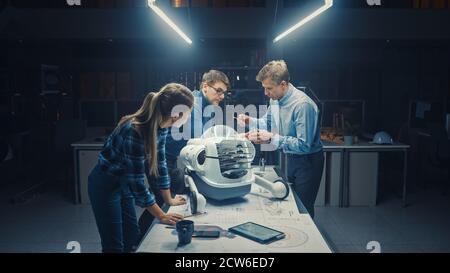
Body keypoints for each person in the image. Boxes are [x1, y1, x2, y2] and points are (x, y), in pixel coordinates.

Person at [88, 83, 195, 253]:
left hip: (123, 183)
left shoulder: (162, 127)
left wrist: (168, 200)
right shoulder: (136, 131)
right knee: (114, 245)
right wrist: (161, 215)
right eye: (188, 113)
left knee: (132, 234)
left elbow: (160, 165)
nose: (188, 118)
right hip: (105, 184)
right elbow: (137, 184)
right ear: (177, 115)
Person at [138, 70, 230, 234]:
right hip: (161, 158)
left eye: (224, 92)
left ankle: (147, 235)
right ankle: (140, 240)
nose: (222, 96)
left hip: (171, 160)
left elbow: (205, 136)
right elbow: (199, 139)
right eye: (219, 90)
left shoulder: (208, 106)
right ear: (205, 86)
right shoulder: (193, 105)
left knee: (170, 200)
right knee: (162, 202)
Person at [238, 60, 324, 218]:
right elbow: (268, 123)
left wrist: (272, 138)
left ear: (283, 84)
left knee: (303, 207)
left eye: (269, 88)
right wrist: (250, 121)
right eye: (264, 88)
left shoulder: (302, 105)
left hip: (308, 161)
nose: (266, 93)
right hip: (290, 157)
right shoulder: (275, 100)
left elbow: (304, 145)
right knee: (291, 201)